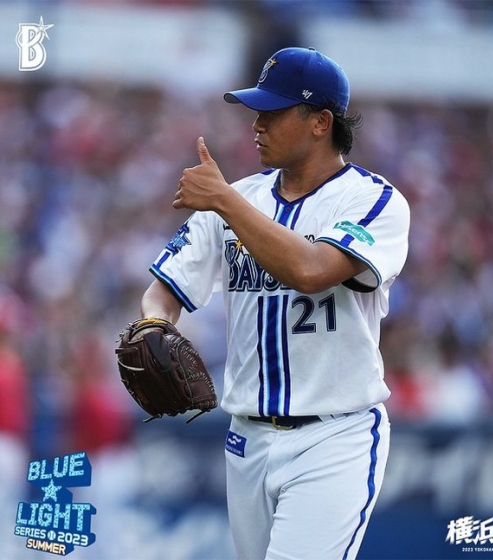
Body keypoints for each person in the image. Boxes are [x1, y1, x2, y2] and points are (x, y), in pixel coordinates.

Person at [141, 47, 410, 560]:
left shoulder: (372, 201)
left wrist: (224, 200)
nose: (257, 125)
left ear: (320, 122)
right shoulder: (238, 198)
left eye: (273, 112)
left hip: (333, 436)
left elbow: (311, 271)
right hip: (246, 439)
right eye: (256, 111)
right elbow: (164, 288)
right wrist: (155, 325)